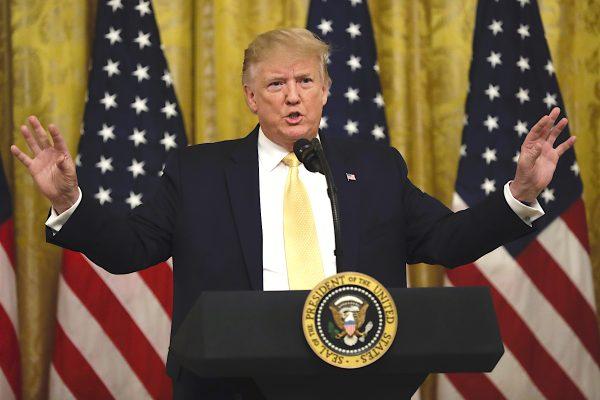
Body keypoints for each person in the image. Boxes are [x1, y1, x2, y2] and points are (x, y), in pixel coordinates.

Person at [11, 28, 574, 399]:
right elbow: (128, 250)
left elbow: (447, 241)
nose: (292, 95)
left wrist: (520, 192)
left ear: (326, 90)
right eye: (275, 84)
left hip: (358, 379)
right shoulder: (198, 173)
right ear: (251, 97)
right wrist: (68, 202)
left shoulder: (376, 167)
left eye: (305, 81)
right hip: (233, 386)